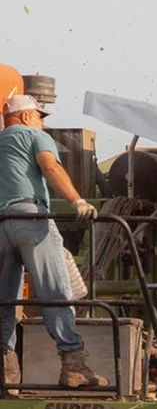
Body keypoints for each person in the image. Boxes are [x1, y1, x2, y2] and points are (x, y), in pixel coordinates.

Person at [0, 94, 106, 389]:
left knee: (4, 301)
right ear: (24, 117)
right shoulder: (34, 137)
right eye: (38, 116)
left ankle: (6, 377)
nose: (42, 123)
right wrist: (77, 201)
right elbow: (51, 168)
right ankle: (73, 365)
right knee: (55, 290)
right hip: (31, 218)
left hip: (0, 223)